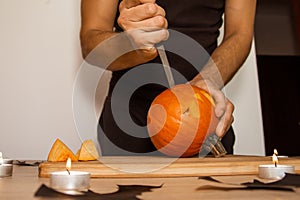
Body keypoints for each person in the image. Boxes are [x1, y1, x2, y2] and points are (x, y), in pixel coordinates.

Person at [80, 0, 256, 155]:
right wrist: (131, 45)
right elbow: (90, 40)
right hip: (128, 119)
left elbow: (240, 33)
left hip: (203, 118)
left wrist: (206, 82)